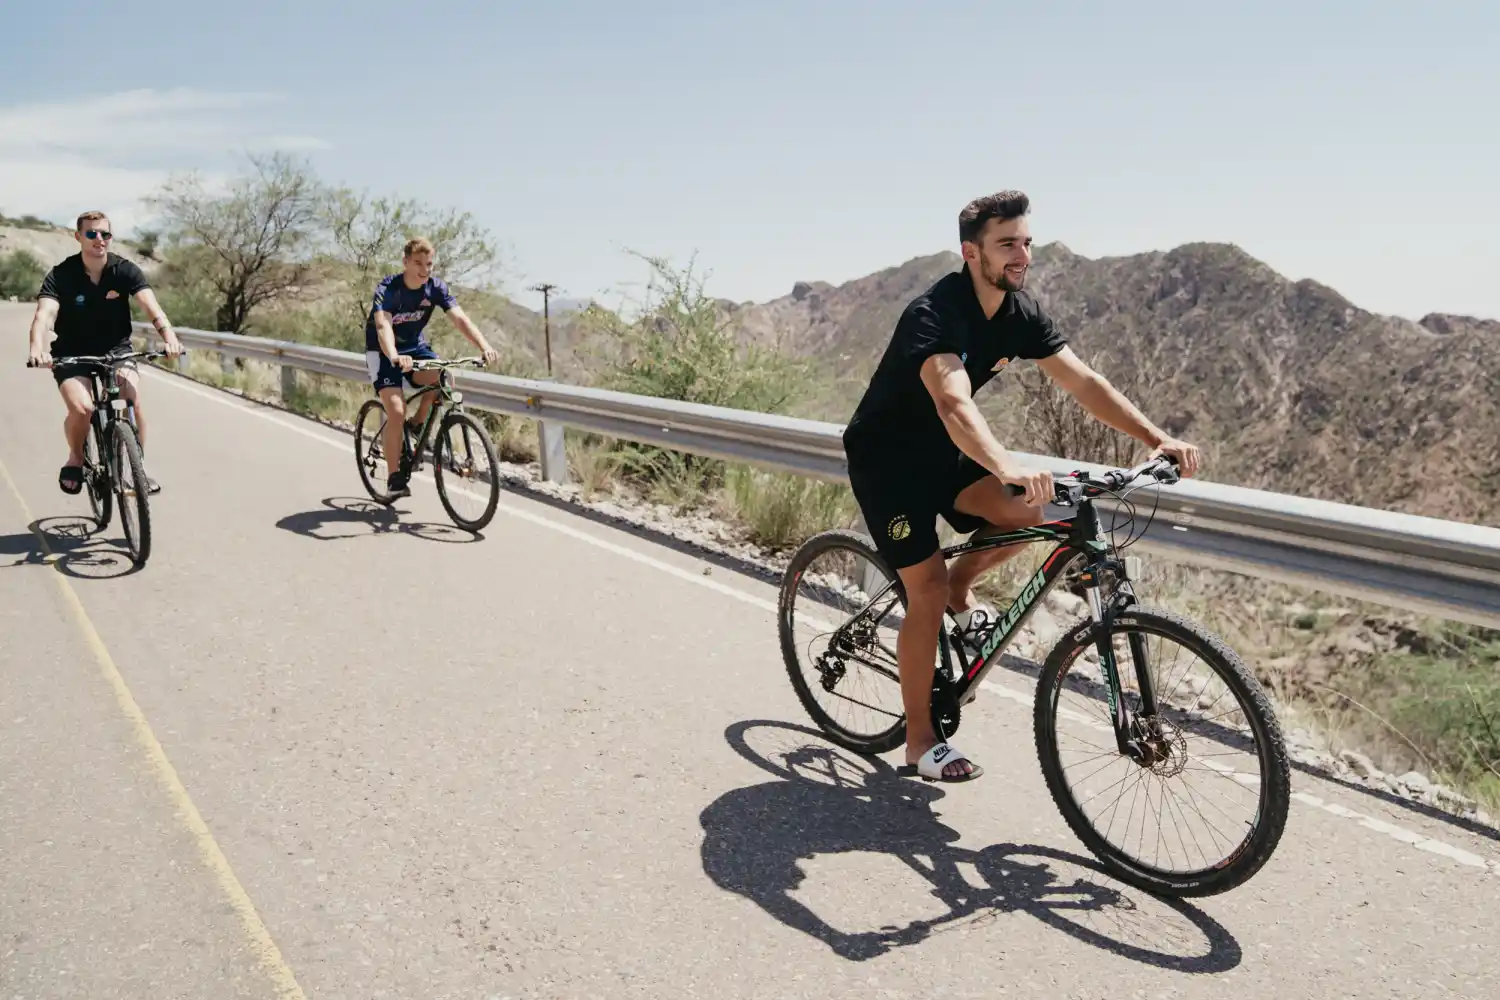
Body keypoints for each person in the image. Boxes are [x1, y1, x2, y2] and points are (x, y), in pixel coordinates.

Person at [841, 190, 1203, 784]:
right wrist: (1006, 465)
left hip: (946, 456)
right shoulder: (934, 314)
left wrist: (1155, 437)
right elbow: (953, 403)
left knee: (1039, 513)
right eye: (1007, 244)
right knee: (924, 589)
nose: (1022, 255)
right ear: (971, 251)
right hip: (889, 464)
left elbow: (1084, 382)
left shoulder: (1019, 314)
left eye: (1026, 243)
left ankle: (964, 594)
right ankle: (919, 740)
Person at [26, 210, 183, 495]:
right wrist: (37, 349)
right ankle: (76, 457)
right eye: (91, 234)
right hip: (71, 353)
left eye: (105, 234)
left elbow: (152, 308)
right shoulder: (62, 274)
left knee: (132, 400)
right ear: (78, 237)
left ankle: (138, 470)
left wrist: (170, 338)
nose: (99, 239)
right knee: (83, 408)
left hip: (116, 349)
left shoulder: (124, 270)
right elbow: (44, 315)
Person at [365, 237, 499, 498]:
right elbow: (383, 327)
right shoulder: (389, 289)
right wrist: (394, 356)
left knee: (443, 378)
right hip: (383, 351)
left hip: (415, 347)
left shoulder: (435, 288)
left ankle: (417, 425)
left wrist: (484, 346)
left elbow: (460, 319)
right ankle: (394, 476)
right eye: (418, 263)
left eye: (429, 264)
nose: (425, 270)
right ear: (405, 262)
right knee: (395, 410)